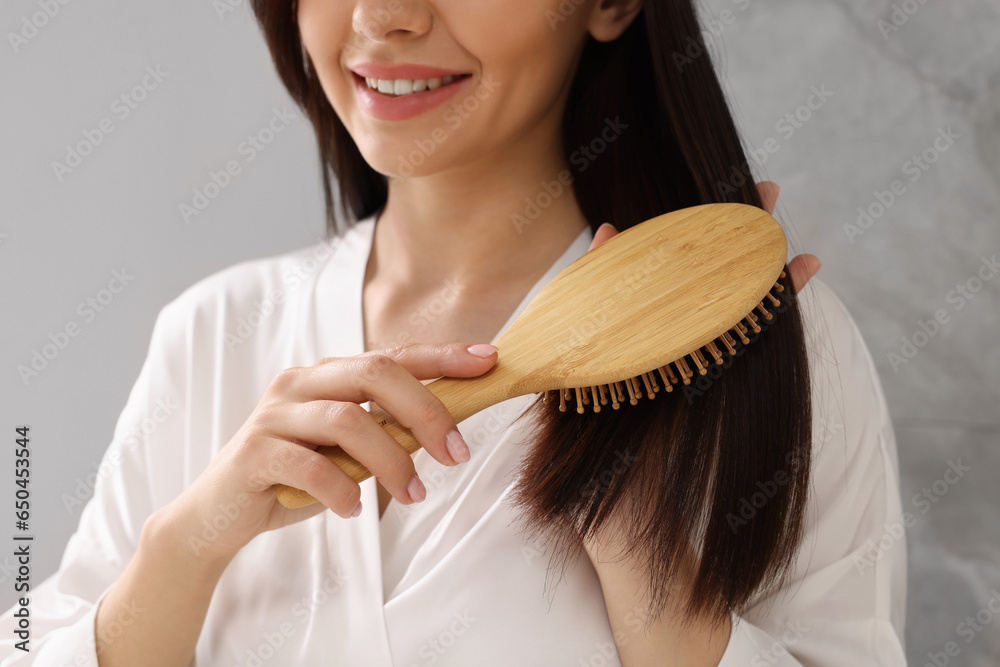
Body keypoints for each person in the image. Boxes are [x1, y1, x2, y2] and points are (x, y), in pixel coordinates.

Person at [0, 0, 906, 665]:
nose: (382, 16)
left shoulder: (767, 350)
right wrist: (185, 546)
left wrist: (650, 573)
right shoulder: (212, 333)